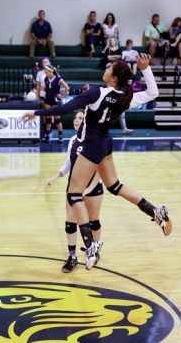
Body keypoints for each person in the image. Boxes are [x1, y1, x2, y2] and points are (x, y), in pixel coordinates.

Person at [20, 54, 172, 270]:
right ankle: (155, 211)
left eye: (109, 68)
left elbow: (65, 108)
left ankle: (90, 244)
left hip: (91, 147)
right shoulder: (123, 96)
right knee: (115, 186)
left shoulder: (97, 92)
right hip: (106, 145)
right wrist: (145, 69)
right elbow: (153, 93)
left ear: (113, 78)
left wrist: (35, 112)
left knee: (73, 195)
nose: (106, 69)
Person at [46, 110, 104, 273]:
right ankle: (72, 257)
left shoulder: (95, 140)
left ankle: (94, 251)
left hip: (93, 186)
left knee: (93, 221)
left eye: (81, 118)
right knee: (70, 221)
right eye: (75, 118)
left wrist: (88, 189)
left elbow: (101, 169)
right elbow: (68, 163)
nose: (77, 121)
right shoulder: (72, 140)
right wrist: (57, 176)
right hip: (74, 186)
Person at [43, 64, 69, 143]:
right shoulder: (46, 79)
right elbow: (45, 88)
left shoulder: (58, 79)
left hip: (55, 101)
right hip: (47, 99)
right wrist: (43, 89)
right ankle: (47, 135)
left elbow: (67, 88)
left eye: (47, 72)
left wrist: (62, 96)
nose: (46, 74)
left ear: (51, 72)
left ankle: (60, 136)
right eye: (45, 72)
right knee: (48, 118)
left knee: (57, 119)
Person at [36, 57, 50, 135]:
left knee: (50, 114)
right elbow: (38, 86)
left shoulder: (53, 72)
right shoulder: (40, 73)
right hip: (42, 95)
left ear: (49, 63)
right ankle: (44, 129)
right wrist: (37, 96)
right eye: (43, 62)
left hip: (50, 96)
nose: (44, 64)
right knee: (43, 113)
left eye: (46, 62)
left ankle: (49, 130)